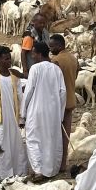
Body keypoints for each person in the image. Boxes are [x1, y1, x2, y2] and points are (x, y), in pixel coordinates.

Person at [20, 41, 66, 180]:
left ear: (39, 53)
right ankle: (51, 169)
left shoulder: (35, 69)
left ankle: (38, 170)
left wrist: (23, 113)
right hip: (53, 112)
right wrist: (60, 113)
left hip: (36, 110)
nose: (32, 55)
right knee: (51, 139)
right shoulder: (56, 69)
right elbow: (62, 92)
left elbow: (28, 92)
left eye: (33, 52)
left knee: (34, 140)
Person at [0, 46, 28, 180]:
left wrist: (21, 118)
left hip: (12, 118)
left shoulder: (15, 75)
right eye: (5, 59)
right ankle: (0, 177)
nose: (8, 61)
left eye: (9, 58)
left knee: (15, 146)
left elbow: (20, 96)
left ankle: (18, 174)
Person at [49, 34, 78, 172]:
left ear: (60, 46)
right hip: (71, 100)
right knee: (66, 133)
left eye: (52, 46)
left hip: (59, 103)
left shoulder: (56, 60)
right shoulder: (73, 58)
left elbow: (53, 83)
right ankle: (63, 163)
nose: (50, 49)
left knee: (56, 134)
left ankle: (56, 163)